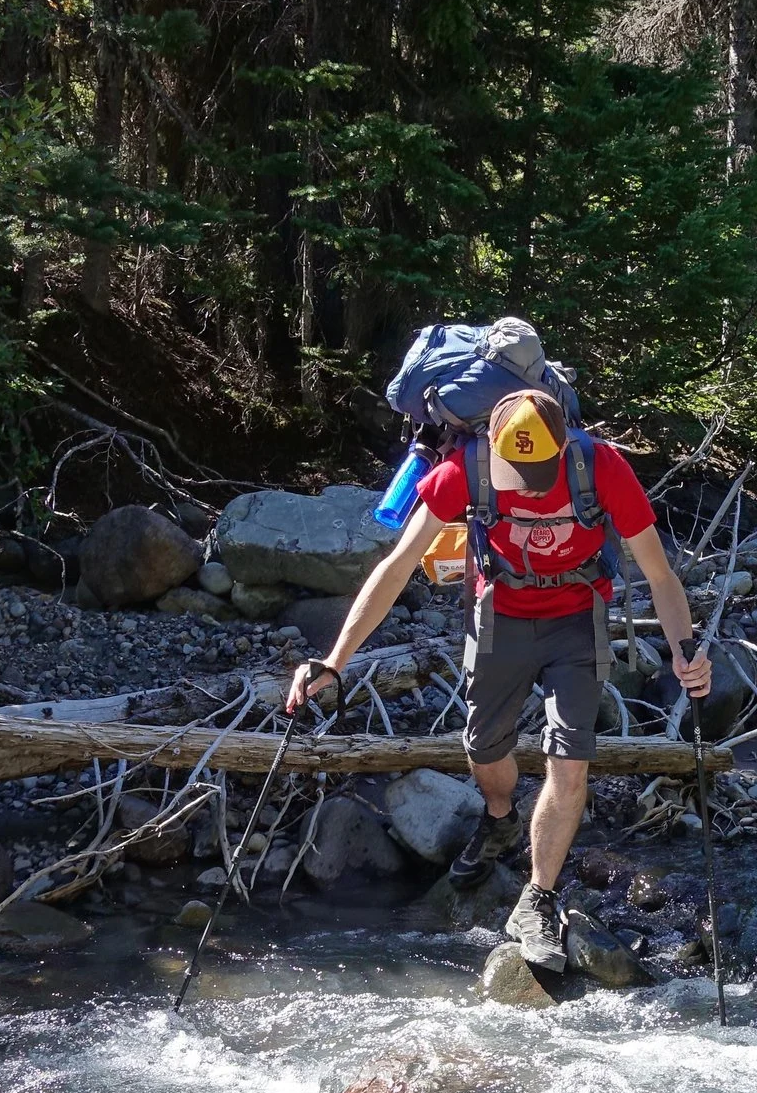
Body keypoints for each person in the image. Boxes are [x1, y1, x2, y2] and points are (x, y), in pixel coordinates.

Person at [284, 380, 711, 972]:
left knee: (570, 760)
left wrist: (685, 652)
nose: (528, 488)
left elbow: (661, 575)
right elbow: (397, 566)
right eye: (518, 475)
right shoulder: (465, 470)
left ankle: (537, 897)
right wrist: (336, 660)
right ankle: (501, 816)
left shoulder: (602, 468)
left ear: (563, 448)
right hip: (500, 614)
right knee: (483, 746)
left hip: (577, 617)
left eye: (538, 474)